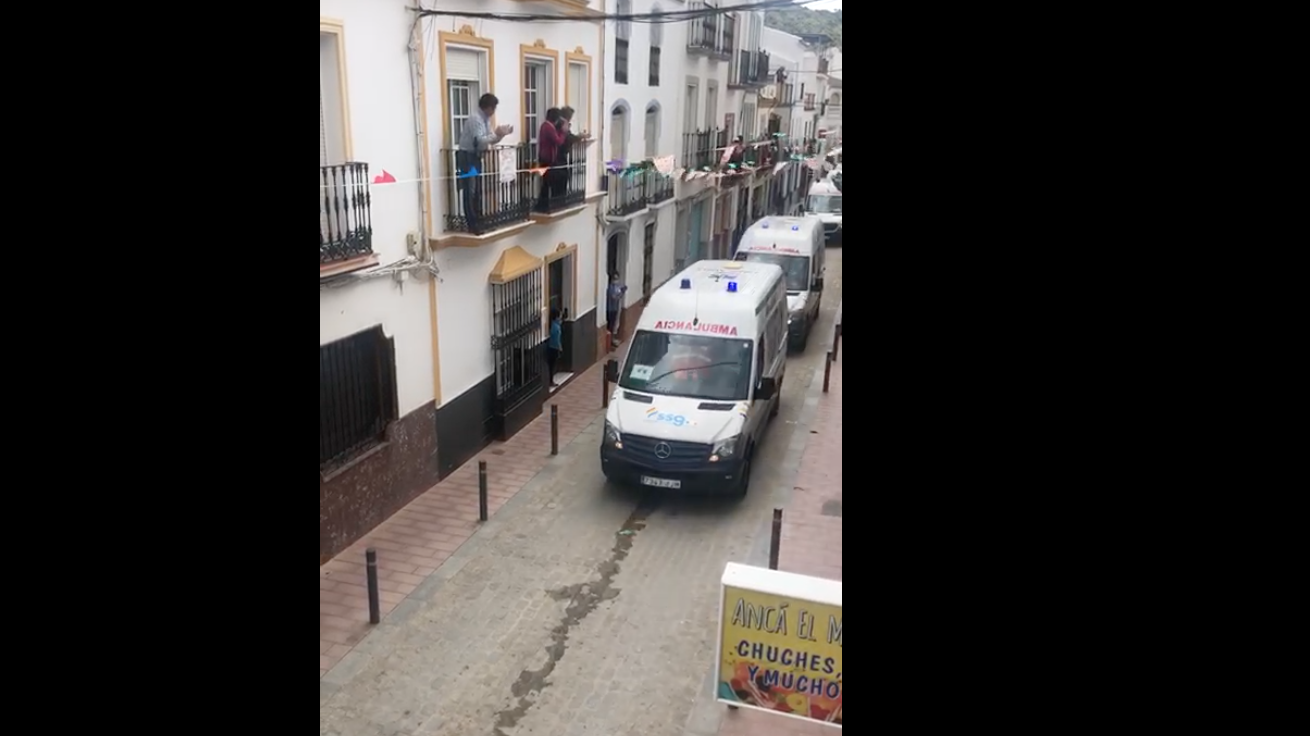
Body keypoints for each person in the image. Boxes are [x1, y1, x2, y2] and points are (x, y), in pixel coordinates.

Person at [457, 93, 513, 234]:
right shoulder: (476, 119)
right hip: (467, 156)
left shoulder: (485, 120)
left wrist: (500, 135)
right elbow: (480, 140)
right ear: (488, 107)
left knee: (477, 190)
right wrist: (497, 134)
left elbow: (489, 139)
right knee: (470, 190)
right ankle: (472, 224)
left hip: (475, 156)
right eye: (493, 108)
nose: (494, 112)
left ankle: (478, 220)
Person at [537, 108, 564, 211]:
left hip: (545, 158)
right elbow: (558, 141)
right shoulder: (548, 127)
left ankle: (543, 204)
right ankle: (543, 205)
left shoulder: (546, 126)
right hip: (546, 159)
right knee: (548, 182)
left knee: (547, 182)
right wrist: (563, 132)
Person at [606, 273, 627, 348]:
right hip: (610, 309)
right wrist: (622, 292)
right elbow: (614, 297)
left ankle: (612, 339)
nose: (616, 280)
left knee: (614, 325)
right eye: (615, 278)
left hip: (615, 308)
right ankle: (610, 341)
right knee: (610, 326)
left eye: (617, 278)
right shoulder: (610, 287)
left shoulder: (617, 287)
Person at [546, 307, 563, 387]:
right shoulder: (556, 327)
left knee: (551, 366)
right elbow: (556, 340)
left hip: (551, 348)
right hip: (554, 348)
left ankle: (551, 380)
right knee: (552, 366)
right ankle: (551, 381)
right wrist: (559, 348)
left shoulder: (553, 325)